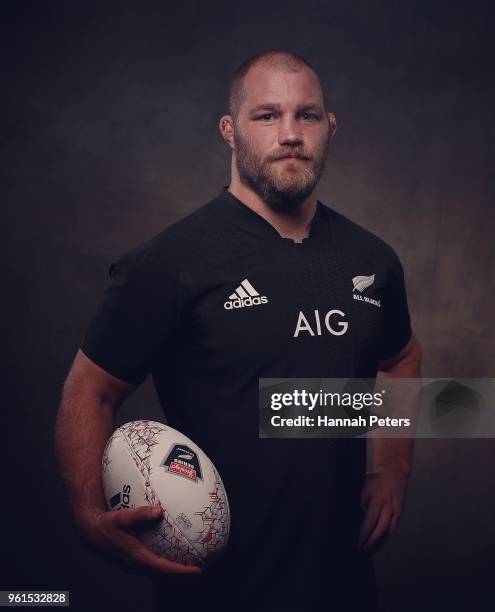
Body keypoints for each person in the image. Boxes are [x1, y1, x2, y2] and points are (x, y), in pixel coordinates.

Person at [55, 49, 422, 611]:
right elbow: (90, 388)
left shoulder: (372, 259)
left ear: (330, 127)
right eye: (267, 115)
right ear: (230, 130)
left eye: (308, 115)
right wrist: (87, 513)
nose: (291, 133)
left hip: (343, 583)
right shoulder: (169, 263)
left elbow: (401, 359)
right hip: (218, 589)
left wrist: (391, 467)